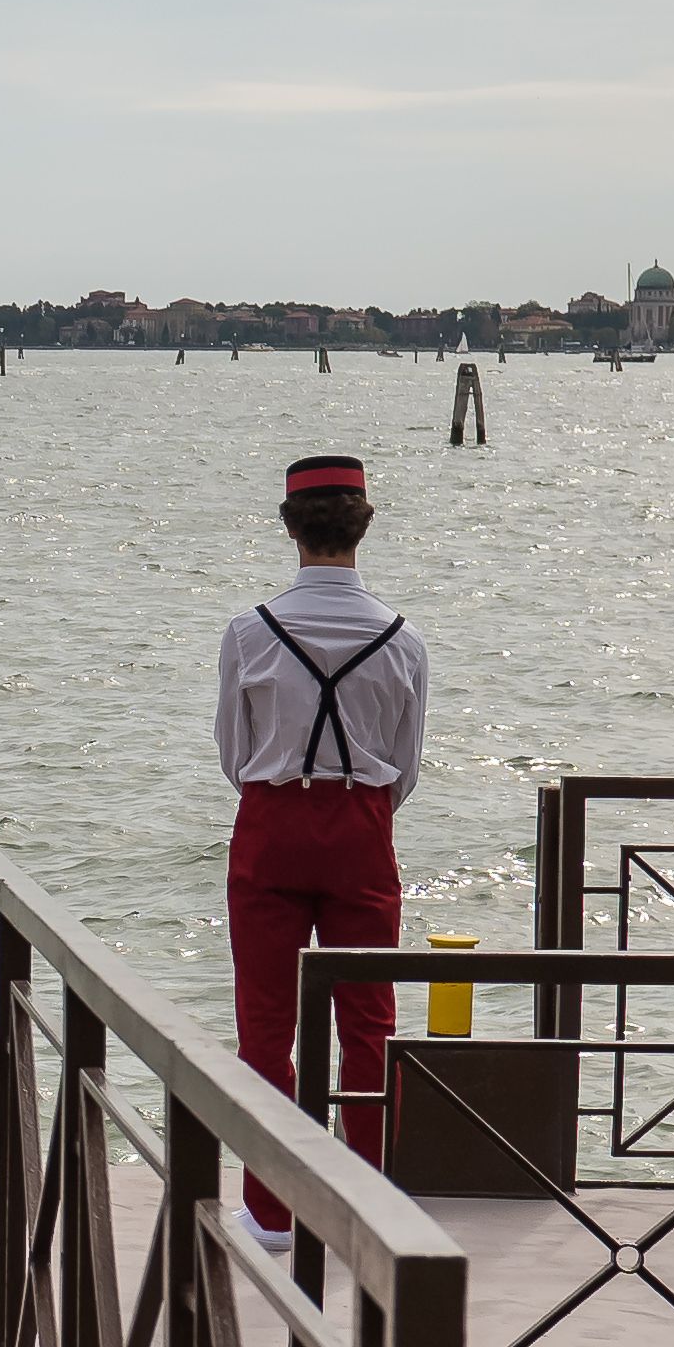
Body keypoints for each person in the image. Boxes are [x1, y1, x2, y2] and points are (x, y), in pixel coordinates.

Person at [215, 449, 427, 1242]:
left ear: (290, 530)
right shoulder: (403, 639)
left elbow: (234, 755)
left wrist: (282, 789)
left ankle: (273, 1211)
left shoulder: (251, 631)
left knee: (266, 1023)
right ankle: (367, 1204)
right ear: (361, 527)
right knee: (369, 1019)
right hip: (364, 828)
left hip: (272, 823)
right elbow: (406, 767)